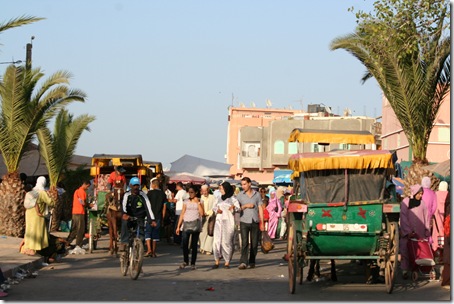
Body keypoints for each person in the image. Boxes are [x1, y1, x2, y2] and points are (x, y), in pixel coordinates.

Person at [399, 184, 430, 279]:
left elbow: (427, 218)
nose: (420, 195)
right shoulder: (405, 202)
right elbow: (403, 218)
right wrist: (408, 231)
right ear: (414, 193)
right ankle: (405, 270)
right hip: (407, 234)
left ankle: (415, 269)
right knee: (405, 250)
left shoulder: (423, 203)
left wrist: (427, 231)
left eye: (421, 194)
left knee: (417, 252)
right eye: (419, 193)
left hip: (419, 233)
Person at [119, 177, 157, 252]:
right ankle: (124, 242)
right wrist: (124, 214)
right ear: (130, 186)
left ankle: (138, 252)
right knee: (124, 223)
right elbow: (123, 206)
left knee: (141, 236)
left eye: (137, 185)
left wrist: (152, 220)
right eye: (134, 185)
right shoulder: (127, 195)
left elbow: (148, 208)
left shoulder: (143, 195)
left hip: (140, 217)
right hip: (129, 217)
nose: (136, 187)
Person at [21, 176, 56, 256]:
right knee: (37, 231)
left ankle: (28, 247)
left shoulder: (32, 191)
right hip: (37, 215)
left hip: (29, 213)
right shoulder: (42, 192)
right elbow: (51, 202)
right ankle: (35, 248)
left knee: (30, 230)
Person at [236, 177, 264, 270]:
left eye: (244, 184)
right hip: (244, 221)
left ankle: (252, 261)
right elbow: (236, 209)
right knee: (244, 243)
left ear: (249, 184)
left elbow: (260, 208)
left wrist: (262, 222)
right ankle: (243, 262)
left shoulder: (257, 195)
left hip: (255, 220)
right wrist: (244, 206)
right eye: (242, 184)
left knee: (254, 243)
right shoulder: (239, 195)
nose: (243, 186)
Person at [211, 182, 240, 269]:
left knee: (226, 241)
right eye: (220, 189)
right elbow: (214, 207)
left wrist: (233, 207)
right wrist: (217, 210)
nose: (220, 190)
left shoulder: (233, 198)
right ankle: (216, 261)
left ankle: (227, 261)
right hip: (218, 222)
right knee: (217, 241)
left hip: (228, 221)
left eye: (222, 189)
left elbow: (238, 208)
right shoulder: (218, 198)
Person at [175, 186, 204, 270]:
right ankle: (185, 261)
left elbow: (202, 213)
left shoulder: (200, 201)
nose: (190, 194)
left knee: (194, 245)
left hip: (195, 224)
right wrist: (178, 226)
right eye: (189, 192)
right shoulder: (186, 201)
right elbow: (182, 213)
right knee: (185, 244)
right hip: (186, 224)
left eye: (192, 192)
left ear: (196, 192)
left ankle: (193, 263)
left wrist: (198, 203)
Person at [66, 180, 92, 249]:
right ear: (85, 184)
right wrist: (89, 205)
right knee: (80, 229)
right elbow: (83, 203)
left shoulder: (76, 191)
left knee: (74, 229)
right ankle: (78, 245)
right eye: (87, 186)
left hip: (74, 212)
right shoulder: (82, 192)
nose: (87, 188)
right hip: (80, 212)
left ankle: (67, 242)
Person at [145, 178, 167, 257]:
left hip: (150, 217)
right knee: (155, 234)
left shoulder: (149, 193)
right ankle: (154, 252)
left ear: (154, 185)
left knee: (148, 233)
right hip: (158, 217)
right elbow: (164, 207)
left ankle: (149, 250)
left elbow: (146, 205)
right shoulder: (163, 194)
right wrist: (162, 217)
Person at [199, 185, 216, 255]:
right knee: (202, 233)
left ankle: (208, 249)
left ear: (208, 190)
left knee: (210, 232)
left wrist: (208, 213)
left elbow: (214, 207)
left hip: (211, 216)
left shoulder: (213, 197)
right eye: (203, 191)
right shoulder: (201, 197)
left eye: (205, 191)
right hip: (202, 216)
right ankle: (202, 247)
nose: (204, 192)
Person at [432, 181, 449, 252]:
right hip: (446, 217)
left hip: (437, 217)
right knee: (446, 232)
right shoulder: (448, 194)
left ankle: (437, 248)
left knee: (437, 232)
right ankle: (444, 248)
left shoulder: (436, 194)